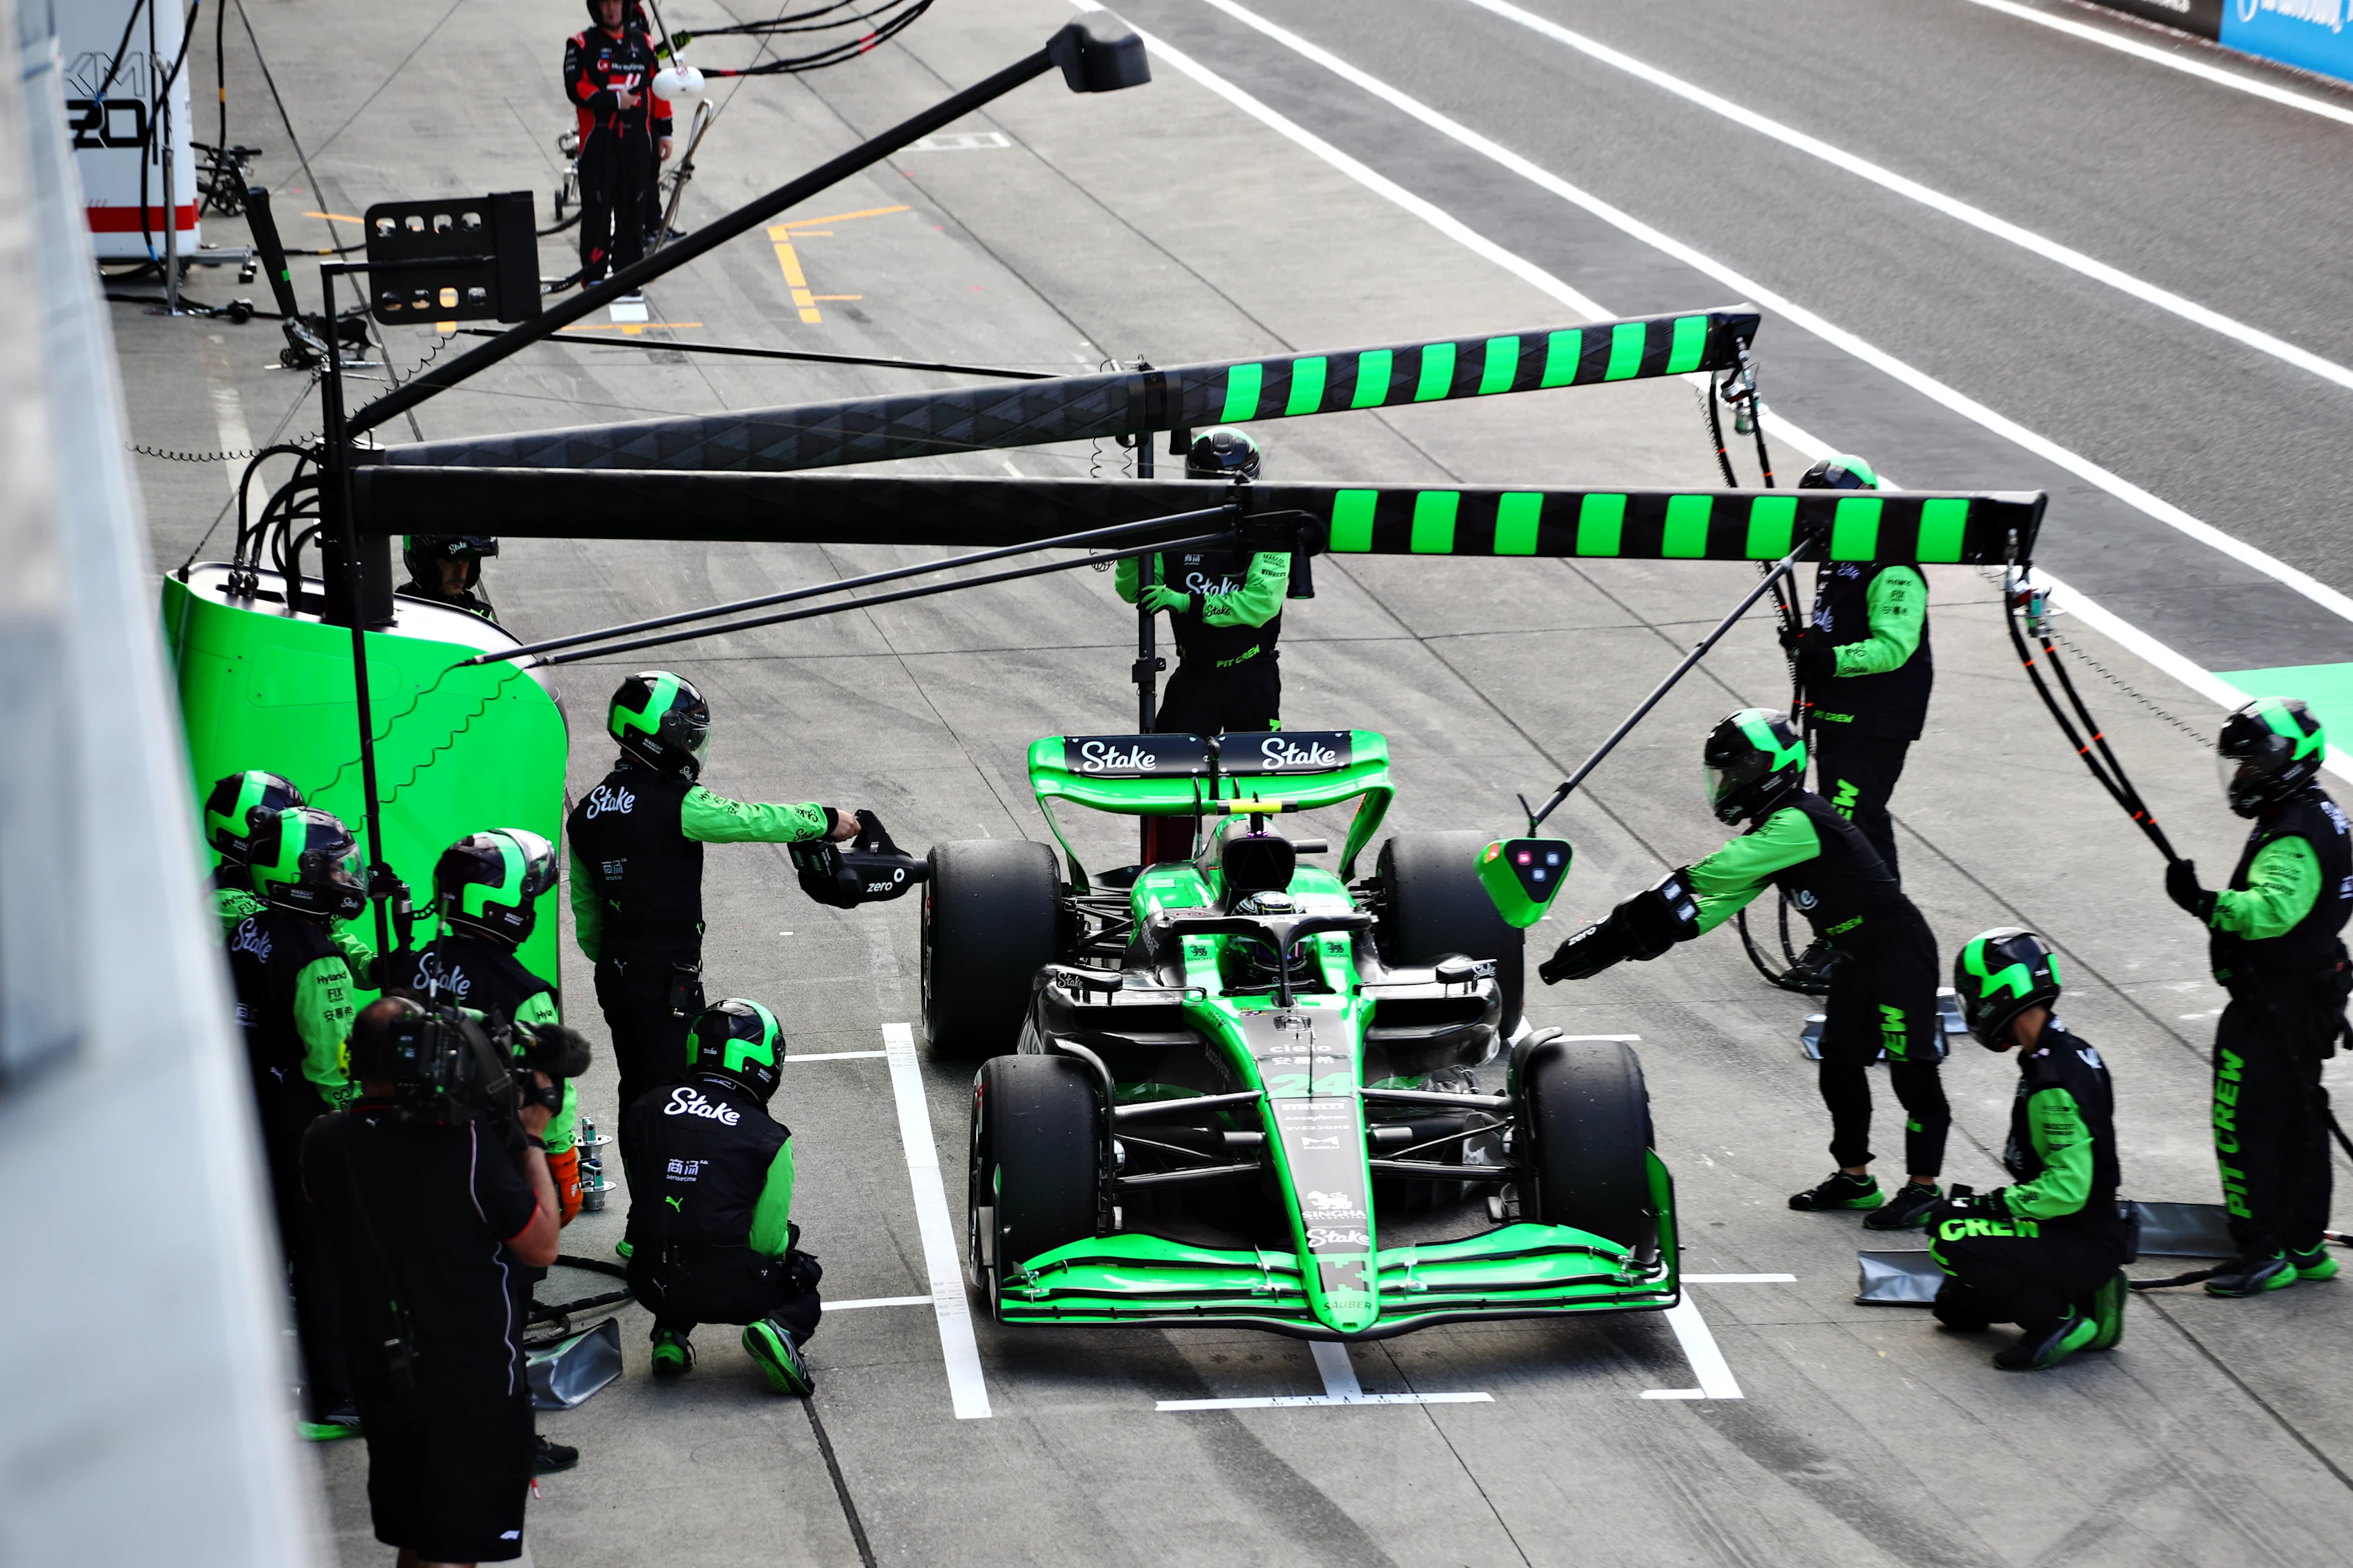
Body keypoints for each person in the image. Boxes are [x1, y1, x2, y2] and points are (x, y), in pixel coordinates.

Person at [1538, 709, 1951, 1230]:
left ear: (1770, 768)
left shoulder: (1799, 821)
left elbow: (1727, 868)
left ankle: (1923, 1189)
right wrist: (1648, 936)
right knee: (1840, 1066)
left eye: (1736, 772)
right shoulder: (1778, 829)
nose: (1729, 783)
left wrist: (1657, 899)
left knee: (1913, 1072)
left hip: (1899, 954)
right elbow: (1727, 898)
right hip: (1855, 957)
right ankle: (1855, 1178)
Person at [565, 670, 862, 1186]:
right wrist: (822, 817)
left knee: (635, 1087)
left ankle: (645, 1217)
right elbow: (751, 818)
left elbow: (586, 915)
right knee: (675, 1094)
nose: (691, 743)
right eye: (686, 731)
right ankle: (665, 1222)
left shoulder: (586, 812)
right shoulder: (678, 800)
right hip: (667, 978)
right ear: (657, 733)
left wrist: (621, 958)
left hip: (616, 974)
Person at [303, 997, 563, 1567]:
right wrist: (531, 1136)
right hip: (469, 1383)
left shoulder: (323, 1142)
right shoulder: (467, 1147)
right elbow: (541, 1242)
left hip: (380, 1371)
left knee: (419, 1535)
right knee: (455, 1547)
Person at [395, 829, 583, 1476]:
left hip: (416, 1154)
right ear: (504, 903)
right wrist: (561, 1169)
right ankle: (510, 1437)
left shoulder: (414, 961)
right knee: (507, 1309)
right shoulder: (525, 989)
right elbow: (548, 1097)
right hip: (497, 1161)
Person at [2163, 696, 2350, 1296]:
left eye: (2249, 766)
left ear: (2283, 762)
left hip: (2274, 1005)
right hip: (2308, 996)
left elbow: (2271, 911)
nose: (2240, 778)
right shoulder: (2320, 812)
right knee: (2298, 1117)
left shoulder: (2295, 834)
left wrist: (2203, 902)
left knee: (2243, 1121)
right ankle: (2303, 1243)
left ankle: (2262, 1249)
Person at [225, 804, 366, 1440]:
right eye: (333, 867)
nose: (345, 876)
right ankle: (334, 1399)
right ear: (300, 874)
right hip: (305, 1125)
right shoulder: (318, 958)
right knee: (326, 1262)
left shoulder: (247, 927)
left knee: (273, 1254)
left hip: (253, 1109)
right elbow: (334, 1067)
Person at [1932, 927, 2130, 1370]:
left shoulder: (2051, 1082)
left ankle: (2056, 1322)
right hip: (2085, 1233)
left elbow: (2068, 1188)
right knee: (1953, 1308)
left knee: (1951, 1238)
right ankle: (2092, 1302)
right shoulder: (2073, 1052)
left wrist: (1991, 1206)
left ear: (1998, 992)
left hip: (2078, 1236)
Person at [622, 998, 822, 1393]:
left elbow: (644, 1191)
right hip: (729, 1290)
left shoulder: (645, 1110)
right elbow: (766, 1240)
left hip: (649, 1279)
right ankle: (777, 1331)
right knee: (803, 1284)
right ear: (759, 1061)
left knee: (675, 1243)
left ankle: (669, 1337)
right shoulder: (769, 1138)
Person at [1775, 455, 1931, 881]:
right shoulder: (1833, 557)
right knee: (1840, 823)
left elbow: (1894, 647)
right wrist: (1809, 646)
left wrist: (1828, 658)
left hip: (1875, 719)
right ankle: (1855, 933)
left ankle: (1875, 931)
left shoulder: (1894, 566)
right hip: (1837, 714)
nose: (1819, 521)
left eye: (1829, 508)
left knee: (1852, 823)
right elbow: (1838, 626)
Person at [565, 0, 672, 287]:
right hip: (599, 143)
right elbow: (575, 87)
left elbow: (658, 88)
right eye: (604, 4)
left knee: (633, 211)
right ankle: (595, 276)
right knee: (597, 213)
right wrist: (613, 100)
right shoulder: (580, 44)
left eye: (615, 3)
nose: (610, 10)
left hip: (637, 142)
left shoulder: (644, 43)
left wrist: (666, 131)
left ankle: (628, 276)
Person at [398, 535, 499, 621]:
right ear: (426, 565)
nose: (460, 573)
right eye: (451, 561)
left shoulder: (481, 616)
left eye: (466, 560)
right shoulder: (398, 614)